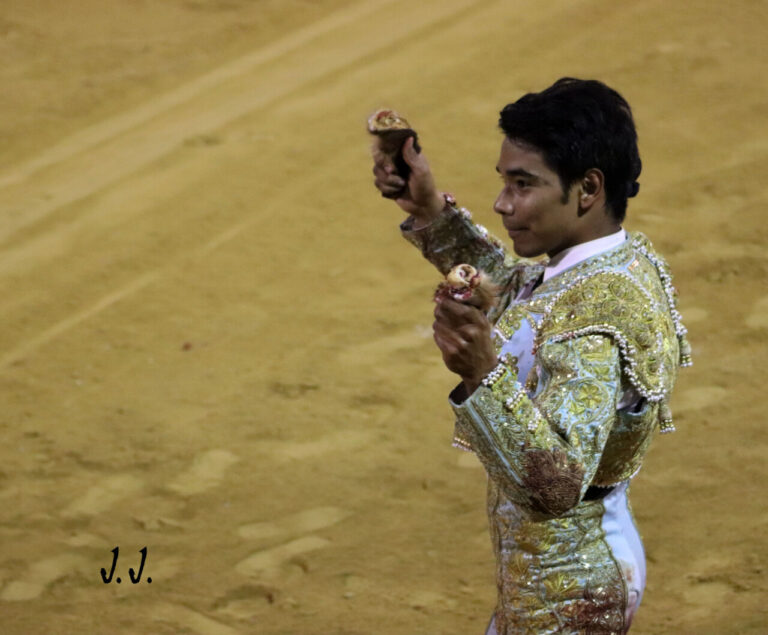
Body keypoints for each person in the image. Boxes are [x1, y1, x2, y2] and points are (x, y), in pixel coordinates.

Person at [371, 78, 691, 634]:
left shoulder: (598, 320)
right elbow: (528, 297)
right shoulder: (602, 263)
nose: (502, 203)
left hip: (570, 592)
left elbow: (557, 485)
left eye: (523, 184)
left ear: (587, 188)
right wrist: (427, 207)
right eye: (504, 181)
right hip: (561, 567)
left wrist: (479, 374)